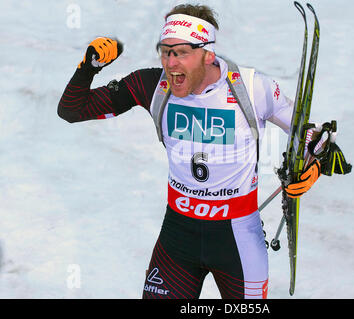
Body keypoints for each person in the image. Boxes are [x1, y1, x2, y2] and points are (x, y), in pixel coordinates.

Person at [58, 4, 321, 299]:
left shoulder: (252, 88)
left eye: (182, 52)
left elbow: (311, 137)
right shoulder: (152, 85)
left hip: (238, 243)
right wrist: (87, 68)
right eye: (166, 51)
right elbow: (72, 110)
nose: (171, 63)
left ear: (208, 54)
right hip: (177, 239)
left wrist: (316, 165)